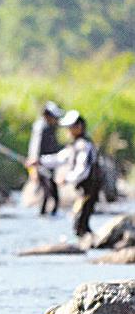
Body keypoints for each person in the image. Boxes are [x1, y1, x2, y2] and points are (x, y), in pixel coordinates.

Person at [32, 109, 100, 238]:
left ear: (79, 127)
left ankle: (89, 243)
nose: (68, 131)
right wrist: (39, 161)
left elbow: (82, 170)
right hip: (83, 189)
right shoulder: (75, 145)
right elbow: (59, 159)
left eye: (70, 128)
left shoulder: (84, 146)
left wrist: (67, 178)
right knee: (79, 222)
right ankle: (87, 243)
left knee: (80, 223)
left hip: (90, 189)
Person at [27, 101, 64, 215]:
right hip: (41, 164)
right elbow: (35, 147)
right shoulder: (41, 127)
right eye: (54, 117)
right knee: (47, 190)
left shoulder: (51, 127)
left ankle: (50, 212)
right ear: (47, 115)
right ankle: (44, 213)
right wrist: (34, 168)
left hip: (50, 163)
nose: (57, 120)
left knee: (51, 191)